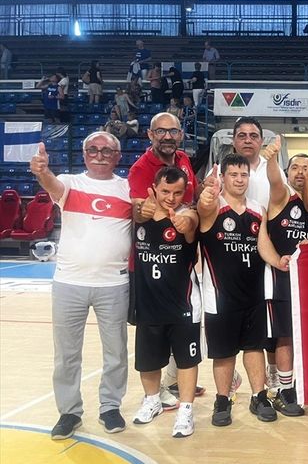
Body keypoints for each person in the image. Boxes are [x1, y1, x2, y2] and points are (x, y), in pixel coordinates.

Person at [30, 132, 133, 439]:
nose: (99, 155)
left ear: (117, 156)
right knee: (66, 354)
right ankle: (69, 412)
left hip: (113, 284)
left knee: (116, 352)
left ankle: (110, 407)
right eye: (93, 149)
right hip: (69, 283)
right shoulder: (69, 182)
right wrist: (42, 171)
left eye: (106, 150)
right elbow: (52, 185)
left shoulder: (128, 188)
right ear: (85, 154)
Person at [129, 112, 204, 406]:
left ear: (181, 135)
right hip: (152, 261)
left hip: (181, 257)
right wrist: (144, 210)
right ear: (150, 135)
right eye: (160, 131)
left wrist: (194, 211)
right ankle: (155, 393)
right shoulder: (140, 169)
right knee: (153, 333)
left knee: (182, 327)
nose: (167, 136)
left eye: (172, 131)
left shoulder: (183, 160)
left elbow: (191, 201)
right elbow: (139, 211)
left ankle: (174, 382)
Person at [198, 153, 277, 426]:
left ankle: (259, 396)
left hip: (254, 293)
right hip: (220, 296)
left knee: (255, 348)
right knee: (224, 353)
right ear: (223, 177)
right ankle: (223, 400)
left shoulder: (258, 210)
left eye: (244, 174)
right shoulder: (213, 206)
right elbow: (203, 207)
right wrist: (207, 194)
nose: (240, 179)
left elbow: (263, 244)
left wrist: (279, 261)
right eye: (233, 174)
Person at [256, 138, 308, 417]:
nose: (300, 172)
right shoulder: (281, 196)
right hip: (282, 278)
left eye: (305, 168)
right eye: (295, 167)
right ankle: (285, 390)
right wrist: (272, 158)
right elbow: (274, 180)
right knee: (284, 336)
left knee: (307, 336)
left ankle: (301, 383)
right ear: (287, 172)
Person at [131, 166, 201, 438]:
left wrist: (186, 223)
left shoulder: (186, 214)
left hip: (182, 305)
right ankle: (152, 401)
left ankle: (186, 410)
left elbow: (191, 222)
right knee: (147, 361)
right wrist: (140, 210)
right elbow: (136, 210)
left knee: (186, 360)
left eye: (177, 193)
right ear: (154, 189)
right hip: (148, 303)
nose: (171, 198)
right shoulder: (141, 212)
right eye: (165, 191)